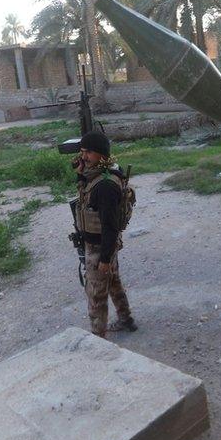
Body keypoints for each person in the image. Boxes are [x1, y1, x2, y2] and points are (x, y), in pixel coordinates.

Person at [74, 130, 137, 338]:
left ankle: (97, 339)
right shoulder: (103, 171)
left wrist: (105, 258)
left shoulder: (106, 186)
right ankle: (126, 319)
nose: (83, 157)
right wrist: (80, 172)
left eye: (88, 153)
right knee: (113, 282)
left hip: (101, 246)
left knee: (96, 295)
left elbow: (110, 226)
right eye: (82, 152)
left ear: (101, 154)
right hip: (103, 245)